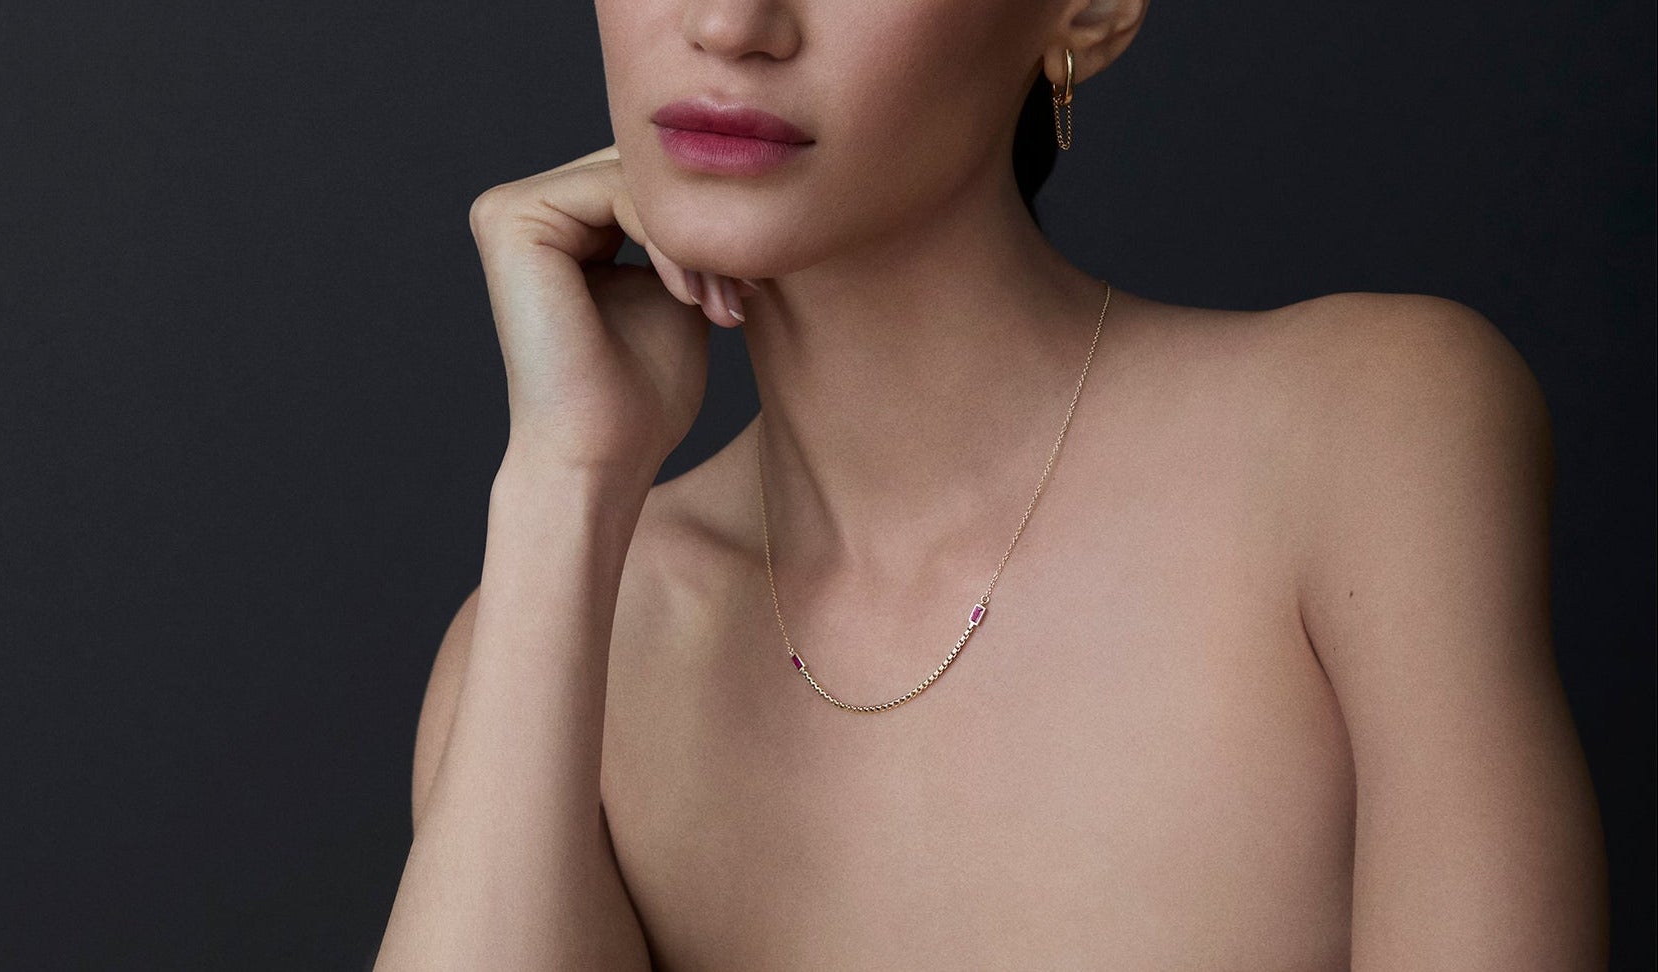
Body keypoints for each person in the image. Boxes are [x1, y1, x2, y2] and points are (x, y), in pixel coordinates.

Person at [376, 0, 1608, 967]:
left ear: (1087, 11)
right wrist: (565, 481)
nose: (731, 22)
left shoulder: (1365, 436)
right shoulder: (550, 643)